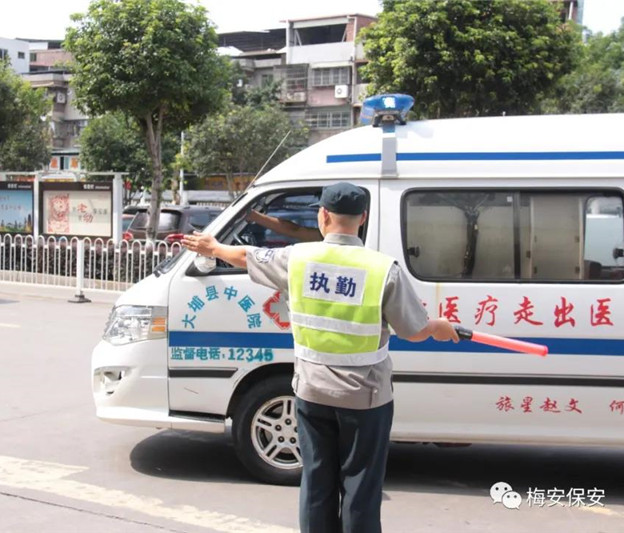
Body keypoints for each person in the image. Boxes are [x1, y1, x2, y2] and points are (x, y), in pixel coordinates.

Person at [183, 182, 459, 533]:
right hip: (366, 398)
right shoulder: (382, 269)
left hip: (312, 392)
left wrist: (212, 247)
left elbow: (246, 255)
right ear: (362, 218)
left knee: (316, 480)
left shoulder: (297, 259)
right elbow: (413, 330)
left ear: (323, 215)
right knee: (360, 485)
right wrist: (437, 327)